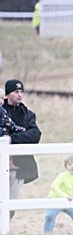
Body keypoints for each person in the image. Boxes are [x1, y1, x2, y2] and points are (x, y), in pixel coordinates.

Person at [2, 79, 41, 219]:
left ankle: (4, 233)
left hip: (19, 166)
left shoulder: (28, 114)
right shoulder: (1, 112)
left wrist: (11, 139)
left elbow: (35, 135)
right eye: (16, 91)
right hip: (2, 163)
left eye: (21, 92)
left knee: (12, 202)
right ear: (7, 94)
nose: (20, 95)